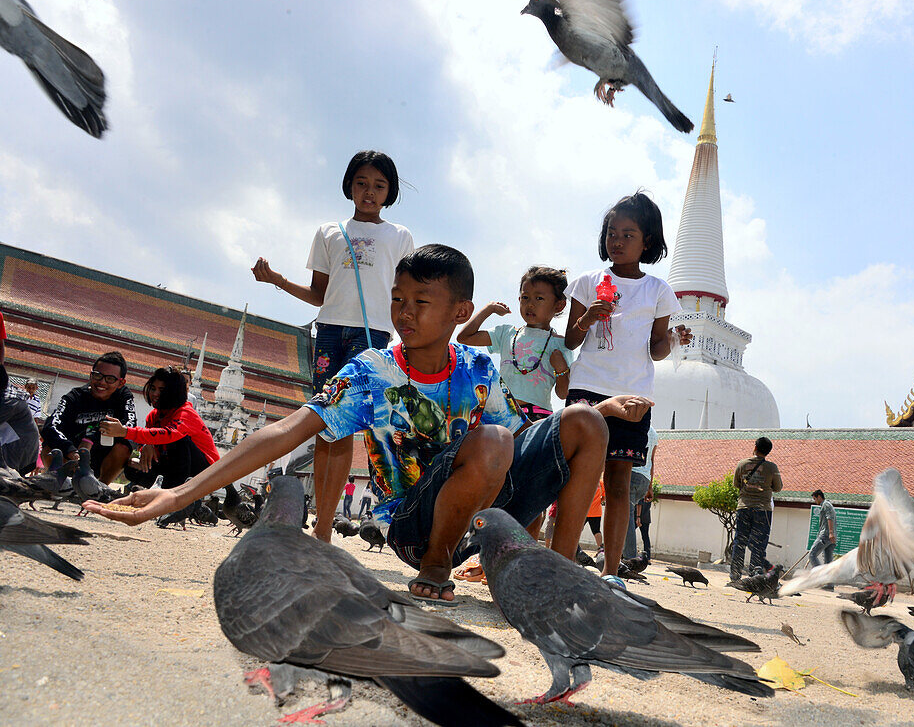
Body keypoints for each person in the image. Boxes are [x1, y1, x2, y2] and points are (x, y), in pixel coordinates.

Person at [87, 245, 648, 605]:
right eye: (399, 299)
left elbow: (519, 445)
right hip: (413, 524)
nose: (404, 313)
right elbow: (285, 431)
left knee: (581, 421)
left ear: (460, 312)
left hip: (480, 509)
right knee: (498, 438)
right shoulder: (371, 372)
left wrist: (597, 411)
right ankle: (436, 565)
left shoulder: (477, 368)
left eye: (421, 302)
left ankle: (561, 572)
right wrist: (177, 494)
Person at [251, 150, 414, 543]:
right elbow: (317, 294)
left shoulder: (400, 237)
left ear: (389, 191)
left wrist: (411, 338)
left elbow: (406, 295)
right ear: (349, 186)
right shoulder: (329, 231)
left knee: (345, 426)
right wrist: (276, 279)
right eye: (361, 183)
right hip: (328, 331)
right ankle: (319, 523)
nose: (369, 192)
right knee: (323, 425)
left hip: (371, 334)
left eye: (379, 185)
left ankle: (324, 529)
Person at [564, 191, 691, 582]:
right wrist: (588, 318)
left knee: (618, 485)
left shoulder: (658, 291)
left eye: (628, 234)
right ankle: (563, 560)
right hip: (587, 387)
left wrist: (673, 338)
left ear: (647, 242)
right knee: (575, 480)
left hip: (634, 394)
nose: (617, 242)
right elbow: (569, 340)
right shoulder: (587, 282)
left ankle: (612, 570)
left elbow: (655, 350)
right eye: (612, 233)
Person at [457, 265, 572, 421]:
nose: (530, 304)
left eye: (539, 298)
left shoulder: (560, 344)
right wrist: (488, 309)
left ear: (559, 305)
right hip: (500, 412)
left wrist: (561, 369)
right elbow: (464, 337)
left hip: (538, 417)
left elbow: (563, 393)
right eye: (525, 297)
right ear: (519, 299)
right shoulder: (506, 333)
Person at [98, 366, 219, 490]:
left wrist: (124, 431)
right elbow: (151, 440)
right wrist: (146, 445)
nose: (155, 394)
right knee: (132, 467)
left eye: (162, 390)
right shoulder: (153, 417)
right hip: (171, 468)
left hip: (204, 472)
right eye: (153, 388)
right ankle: (162, 490)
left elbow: (169, 434)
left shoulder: (186, 413)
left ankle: (175, 494)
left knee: (178, 441)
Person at [41, 351, 137, 483]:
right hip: (71, 458)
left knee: (126, 444)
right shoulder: (74, 396)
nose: (102, 383)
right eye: (97, 375)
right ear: (91, 374)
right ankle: (59, 484)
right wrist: (70, 450)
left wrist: (91, 438)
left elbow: (130, 425)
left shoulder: (124, 397)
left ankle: (101, 488)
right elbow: (50, 426)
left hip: (102, 458)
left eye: (110, 379)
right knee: (50, 445)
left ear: (121, 383)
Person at [727, 436, 782, 581]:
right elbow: (778, 488)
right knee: (758, 544)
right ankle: (754, 575)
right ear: (768, 451)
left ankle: (735, 573)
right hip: (763, 510)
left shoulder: (742, 464)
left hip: (744, 507)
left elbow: (736, 484)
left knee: (740, 541)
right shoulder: (772, 468)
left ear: (755, 447)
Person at [623, 426, 658, 560]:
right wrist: (650, 487)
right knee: (627, 517)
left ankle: (630, 557)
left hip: (631, 474)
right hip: (644, 480)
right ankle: (622, 554)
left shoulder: (634, 427)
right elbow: (652, 461)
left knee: (625, 518)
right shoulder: (654, 433)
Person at [0, 366, 40, 474]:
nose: (31, 389)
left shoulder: (8, 401)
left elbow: (36, 418)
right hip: (14, 444)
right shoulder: (9, 394)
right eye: (29, 387)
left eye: (33, 387)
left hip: (18, 451)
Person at [808, 488, 837, 585]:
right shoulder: (827, 504)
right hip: (829, 537)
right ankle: (829, 584)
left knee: (812, 555)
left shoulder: (826, 505)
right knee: (828, 561)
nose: (815, 501)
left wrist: (831, 532)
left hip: (825, 535)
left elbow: (830, 518)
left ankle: (821, 578)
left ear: (819, 497)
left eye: (815, 499)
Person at [584, 479, 605, 552]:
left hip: (584, 511)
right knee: (596, 531)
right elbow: (604, 497)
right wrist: (598, 502)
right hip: (596, 512)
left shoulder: (585, 481)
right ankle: (601, 549)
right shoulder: (601, 482)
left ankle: (573, 548)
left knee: (577, 530)